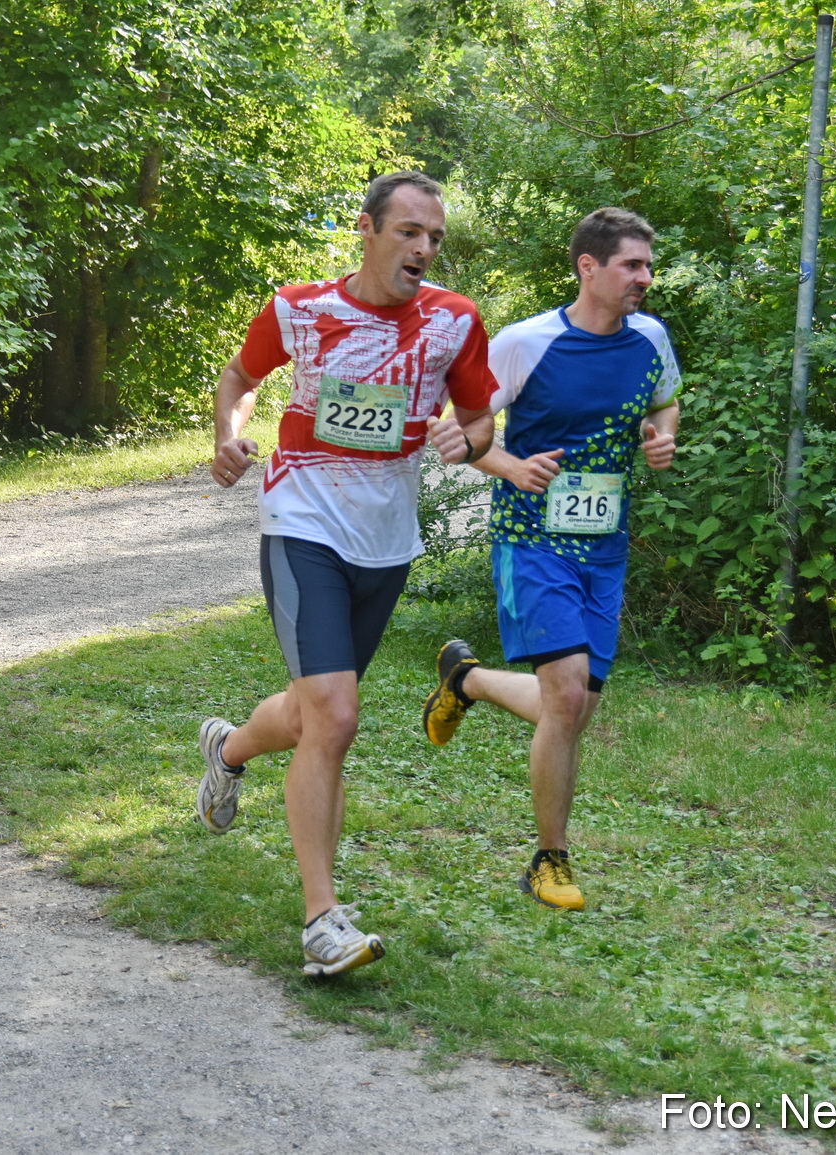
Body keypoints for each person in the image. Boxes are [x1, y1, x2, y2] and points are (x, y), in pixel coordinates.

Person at [196, 171, 498, 977]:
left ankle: (228, 751)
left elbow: (479, 418)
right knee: (336, 714)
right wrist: (229, 433)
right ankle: (321, 920)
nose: (425, 249)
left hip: (385, 537)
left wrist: (467, 441)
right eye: (409, 232)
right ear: (366, 229)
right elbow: (239, 378)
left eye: (435, 238)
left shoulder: (454, 321)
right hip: (302, 521)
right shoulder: (301, 308)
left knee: (308, 715)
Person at [419, 207, 681, 912]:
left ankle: (466, 680)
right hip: (532, 539)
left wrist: (660, 438)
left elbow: (665, 403)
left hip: (606, 545)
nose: (645, 279)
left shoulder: (651, 338)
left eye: (648, 266)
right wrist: (509, 465)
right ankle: (549, 859)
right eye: (632, 265)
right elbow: (461, 430)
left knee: (573, 708)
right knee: (565, 696)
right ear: (587, 267)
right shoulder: (524, 343)